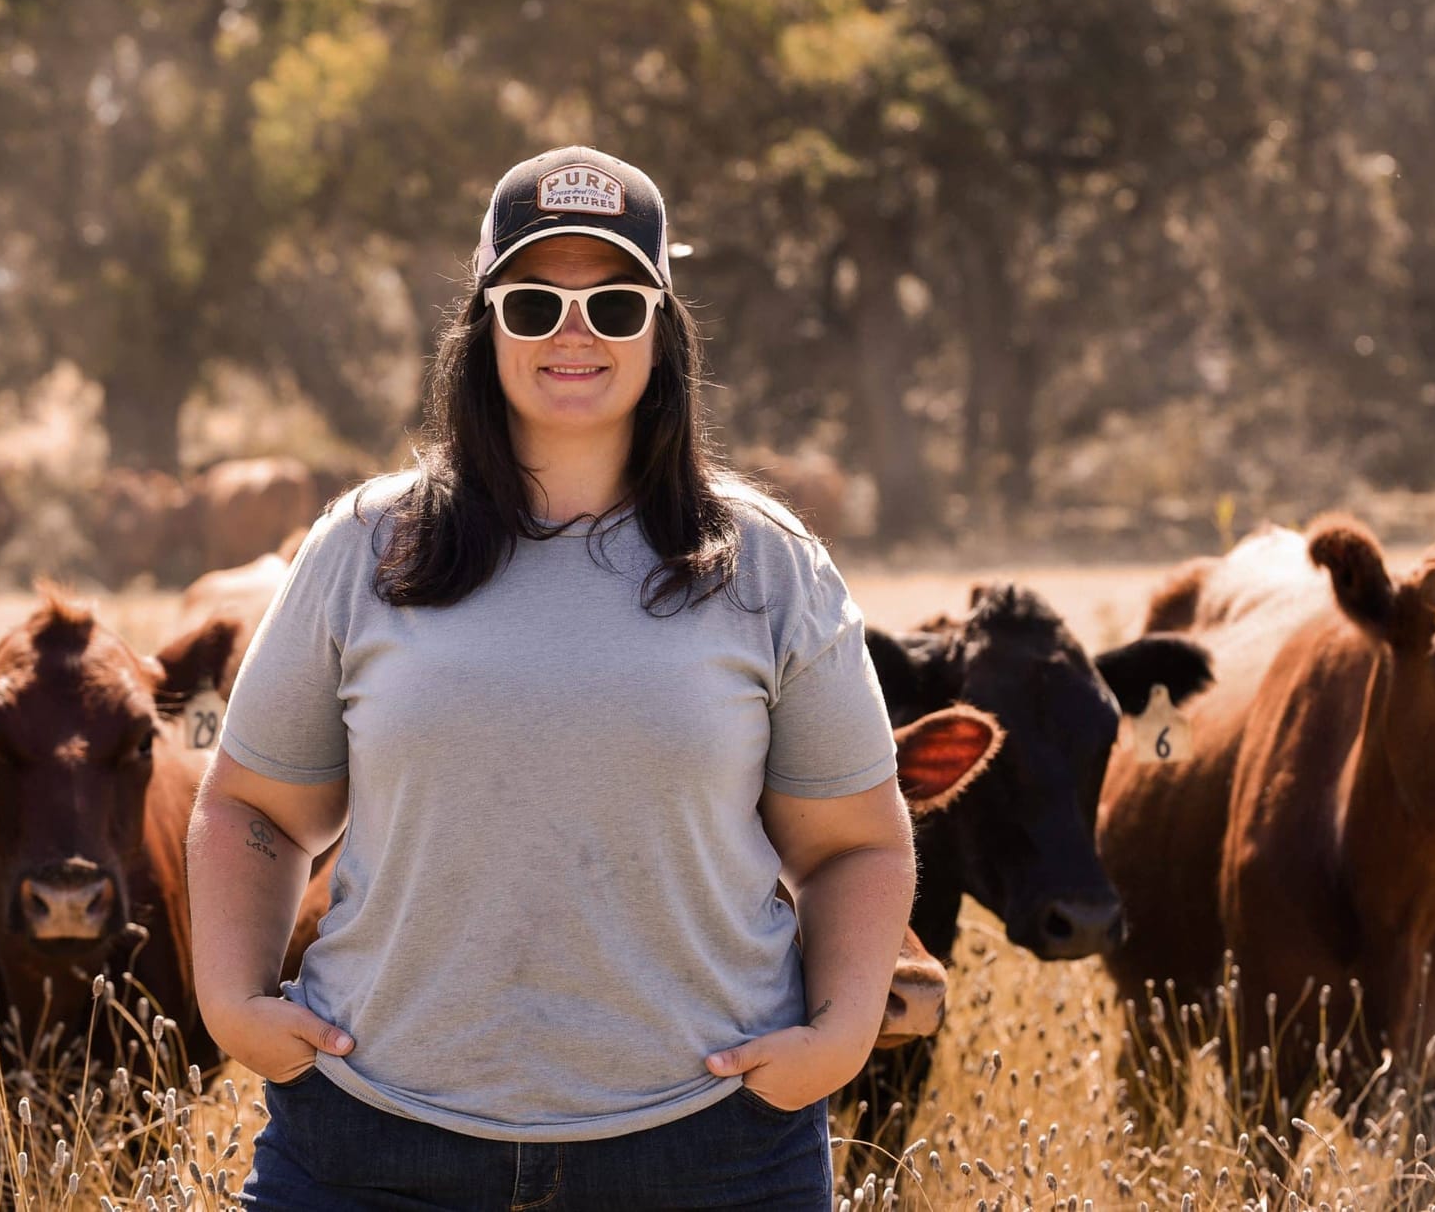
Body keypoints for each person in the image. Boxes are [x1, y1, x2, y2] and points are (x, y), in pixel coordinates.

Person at [187, 146, 913, 1211]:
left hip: (704, 1151)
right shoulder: (363, 545)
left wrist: (839, 1035)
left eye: (614, 304)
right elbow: (255, 805)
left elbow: (854, 840)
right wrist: (234, 1003)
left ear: (660, 328)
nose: (573, 331)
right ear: (483, 328)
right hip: (374, 1147)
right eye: (532, 303)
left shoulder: (766, 564)